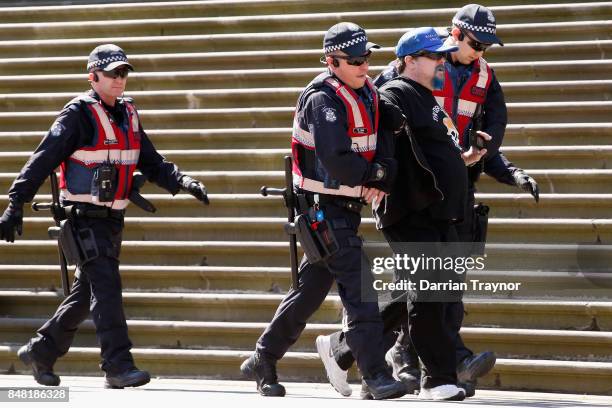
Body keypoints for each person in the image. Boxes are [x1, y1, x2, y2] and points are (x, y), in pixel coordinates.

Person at [318, 4, 540, 399]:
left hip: (443, 207)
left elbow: (474, 135)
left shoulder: (441, 91)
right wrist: (378, 177)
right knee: (430, 292)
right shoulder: (394, 89)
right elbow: (382, 133)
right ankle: (435, 374)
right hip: (413, 206)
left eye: (443, 54)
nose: (444, 61)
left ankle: (346, 348)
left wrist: (487, 163)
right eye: (435, 55)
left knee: (427, 288)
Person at [0, 44, 210, 389]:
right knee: (107, 287)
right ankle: (117, 365)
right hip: (83, 218)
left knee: (88, 292)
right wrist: (15, 203)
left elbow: (151, 161)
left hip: (112, 219)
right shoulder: (77, 115)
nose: (119, 79)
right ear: (93, 77)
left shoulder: (128, 112)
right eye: (112, 73)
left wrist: (183, 181)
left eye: (123, 73)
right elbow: (41, 160)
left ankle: (42, 350)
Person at [239, 22, 405, 400]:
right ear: (333, 61)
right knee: (361, 289)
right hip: (322, 211)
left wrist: (381, 173)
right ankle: (375, 375)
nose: (365, 65)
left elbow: (384, 141)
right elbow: (336, 160)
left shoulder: (367, 92)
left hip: (345, 209)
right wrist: (374, 177)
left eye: (368, 57)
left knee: (308, 293)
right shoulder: (322, 99)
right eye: (356, 59)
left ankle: (263, 357)